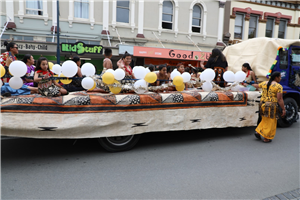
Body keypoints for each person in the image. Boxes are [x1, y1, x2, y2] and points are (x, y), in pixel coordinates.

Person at [252, 71, 285, 143]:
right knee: (271, 122)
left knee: (264, 119)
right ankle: (266, 137)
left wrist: (248, 84)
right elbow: (279, 99)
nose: (280, 79)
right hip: (271, 106)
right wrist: (283, 109)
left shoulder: (264, 83)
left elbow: (256, 86)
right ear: (276, 78)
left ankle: (258, 132)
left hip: (262, 104)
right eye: (279, 77)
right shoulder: (278, 86)